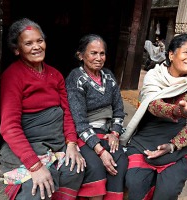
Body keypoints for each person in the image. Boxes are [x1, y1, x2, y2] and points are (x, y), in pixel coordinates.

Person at [0, 18, 85, 200]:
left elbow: (66, 112)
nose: (36, 47)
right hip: (29, 143)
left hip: (55, 142)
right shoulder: (12, 76)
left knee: (75, 169)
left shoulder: (55, 74)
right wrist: (35, 166)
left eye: (39, 41)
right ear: (17, 49)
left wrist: (71, 143)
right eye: (28, 43)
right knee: (40, 186)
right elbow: (9, 127)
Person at [120, 33, 187, 200]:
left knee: (168, 191)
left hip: (176, 143)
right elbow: (153, 106)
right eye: (186, 52)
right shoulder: (154, 76)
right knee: (135, 185)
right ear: (171, 54)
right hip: (146, 139)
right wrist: (177, 111)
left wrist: (173, 146)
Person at [65, 34, 128, 200]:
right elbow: (79, 121)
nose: (99, 58)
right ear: (81, 55)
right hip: (85, 134)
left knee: (119, 163)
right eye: (93, 53)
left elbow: (119, 109)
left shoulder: (108, 76)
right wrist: (100, 151)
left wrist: (115, 133)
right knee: (96, 167)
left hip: (107, 131)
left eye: (102, 53)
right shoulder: (76, 79)